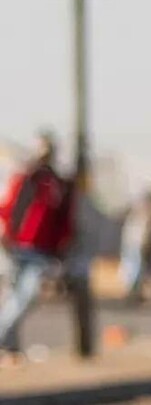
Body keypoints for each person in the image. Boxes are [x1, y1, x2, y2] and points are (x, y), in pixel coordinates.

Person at [0, 132, 73, 362]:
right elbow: (7, 208)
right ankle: (9, 347)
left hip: (41, 252)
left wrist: (61, 248)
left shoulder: (58, 185)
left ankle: (3, 341)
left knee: (26, 296)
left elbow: (64, 221)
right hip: (15, 247)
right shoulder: (25, 178)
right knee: (13, 298)